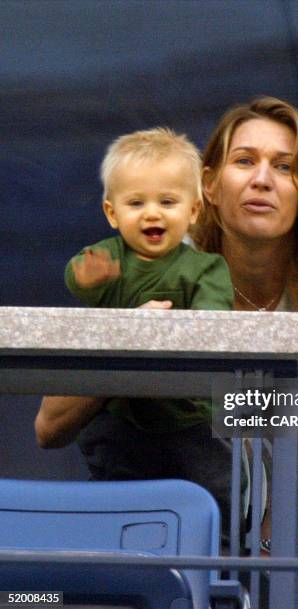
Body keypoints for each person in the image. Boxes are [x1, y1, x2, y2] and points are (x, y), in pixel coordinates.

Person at [37, 96, 298, 609]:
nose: (262, 179)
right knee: (33, 594)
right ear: (207, 188)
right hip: (199, 506)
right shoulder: (158, 252)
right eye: (244, 161)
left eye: (284, 167)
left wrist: (257, 571)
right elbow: (49, 426)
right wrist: (132, 339)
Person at [37, 126, 239, 531]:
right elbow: (76, 276)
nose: (152, 213)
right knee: (112, 481)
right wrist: (88, 276)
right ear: (112, 213)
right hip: (120, 416)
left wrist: (178, 328)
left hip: (186, 417)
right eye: (136, 203)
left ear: (194, 211)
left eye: (167, 201)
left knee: (217, 489)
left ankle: (219, 542)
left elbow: (214, 320)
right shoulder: (110, 258)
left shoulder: (205, 267)